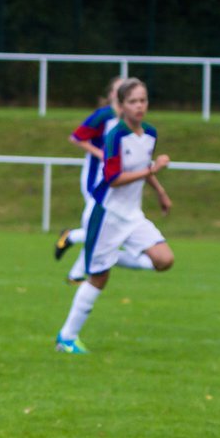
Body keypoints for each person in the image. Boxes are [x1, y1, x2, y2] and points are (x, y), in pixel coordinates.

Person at [55, 77, 173, 354]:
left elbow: (143, 167)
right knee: (99, 279)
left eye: (143, 100)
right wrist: (152, 172)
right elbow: (114, 178)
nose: (139, 106)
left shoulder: (150, 134)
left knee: (164, 259)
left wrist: (160, 191)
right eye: (132, 101)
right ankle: (66, 338)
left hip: (132, 215)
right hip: (107, 215)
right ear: (121, 105)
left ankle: (110, 256)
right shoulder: (114, 136)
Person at [55, 77, 158, 282]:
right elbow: (76, 137)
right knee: (100, 227)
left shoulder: (133, 125)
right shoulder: (104, 116)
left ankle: (75, 266)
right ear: (114, 95)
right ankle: (74, 247)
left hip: (119, 185)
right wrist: (100, 153)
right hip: (97, 181)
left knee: (102, 230)